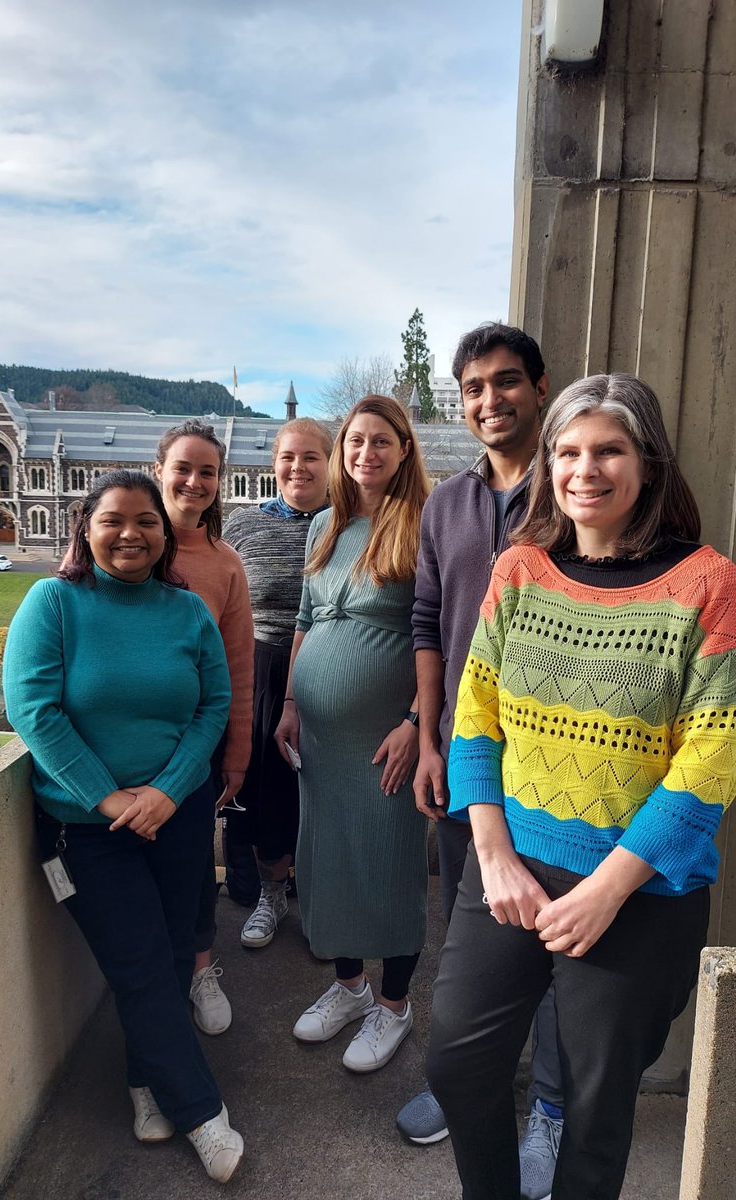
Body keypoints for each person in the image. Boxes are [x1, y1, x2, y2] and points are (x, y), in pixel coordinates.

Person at [427, 374, 736, 1200]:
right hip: (508, 874)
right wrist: (492, 853)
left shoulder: (706, 583)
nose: (586, 469)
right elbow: (475, 717)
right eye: (568, 451)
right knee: (458, 1059)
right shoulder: (520, 570)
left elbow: (718, 748)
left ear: (645, 460)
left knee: (598, 1105)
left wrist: (610, 888)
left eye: (608, 449)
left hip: (638, 892)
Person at [3, 470, 244, 1183]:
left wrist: (167, 792)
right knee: (139, 965)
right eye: (114, 520)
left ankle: (146, 1084)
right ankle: (204, 1113)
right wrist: (111, 801)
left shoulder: (187, 610)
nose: (131, 533)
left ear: (165, 533)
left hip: (177, 814)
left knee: (173, 954)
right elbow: (35, 712)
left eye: (146, 521)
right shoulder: (54, 602)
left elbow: (212, 705)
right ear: (85, 526)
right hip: (84, 827)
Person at [399, 322, 565, 1199]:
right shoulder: (447, 504)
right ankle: (466, 1085)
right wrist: (428, 739)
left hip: (557, 774)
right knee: (468, 939)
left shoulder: (573, 491)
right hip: (466, 765)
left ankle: (550, 1107)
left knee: (553, 944)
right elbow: (427, 621)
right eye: (473, 388)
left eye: (506, 382)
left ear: (540, 387)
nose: (489, 400)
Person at [274, 395, 430, 1073]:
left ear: (403, 451)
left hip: (384, 739)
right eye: (355, 442)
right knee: (329, 861)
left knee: (389, 868)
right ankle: (348, 987)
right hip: (321, 739)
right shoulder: (324, 527)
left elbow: (443, 636)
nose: (365, 454)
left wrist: (417, 723)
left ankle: (394, 1006)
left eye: (381, 442)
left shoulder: (423, 524)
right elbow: (308, 617)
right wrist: (290, 701)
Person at [153, 420, 254, 1035]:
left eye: (208, 472)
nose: (194, 481)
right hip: (122, 746)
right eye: (183, 468)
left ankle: (200, 967)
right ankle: (155, 976)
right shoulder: (118, 539)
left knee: (193, 861)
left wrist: (236, 752)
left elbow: (238, 667)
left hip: (197, 747)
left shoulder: (224, 564)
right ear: (159, 469)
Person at [223, 417, 333, 948]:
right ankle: (273, 893)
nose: (298, 467)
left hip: (332, 665)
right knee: (270, 791)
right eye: (288, 456)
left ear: (330, 463)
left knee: (326, 795)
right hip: (261, 667)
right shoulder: (243, 524)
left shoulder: (349, 524)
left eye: (311, 456)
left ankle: (321, 899)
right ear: (274, 464)